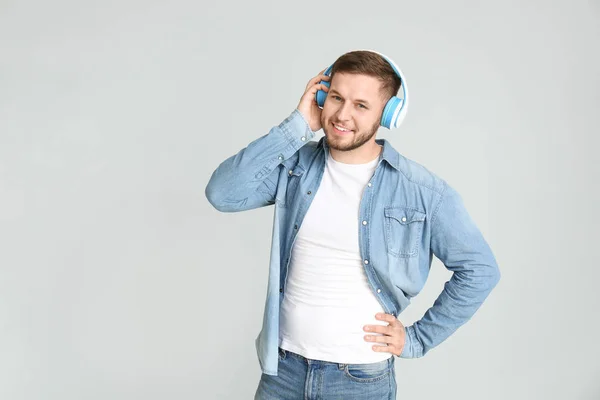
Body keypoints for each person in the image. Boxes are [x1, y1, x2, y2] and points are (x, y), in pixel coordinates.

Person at [205, 50, 500, 399]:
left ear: (388, 114)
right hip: (282, 372)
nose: (343, 114)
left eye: (361, 105)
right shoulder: (296, 167)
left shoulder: (422, 191)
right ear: (320, 97)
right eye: (336, 98)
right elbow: (222, 193)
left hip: (358, 381)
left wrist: (419, 339)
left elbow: (480, 269)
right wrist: (297, 126)